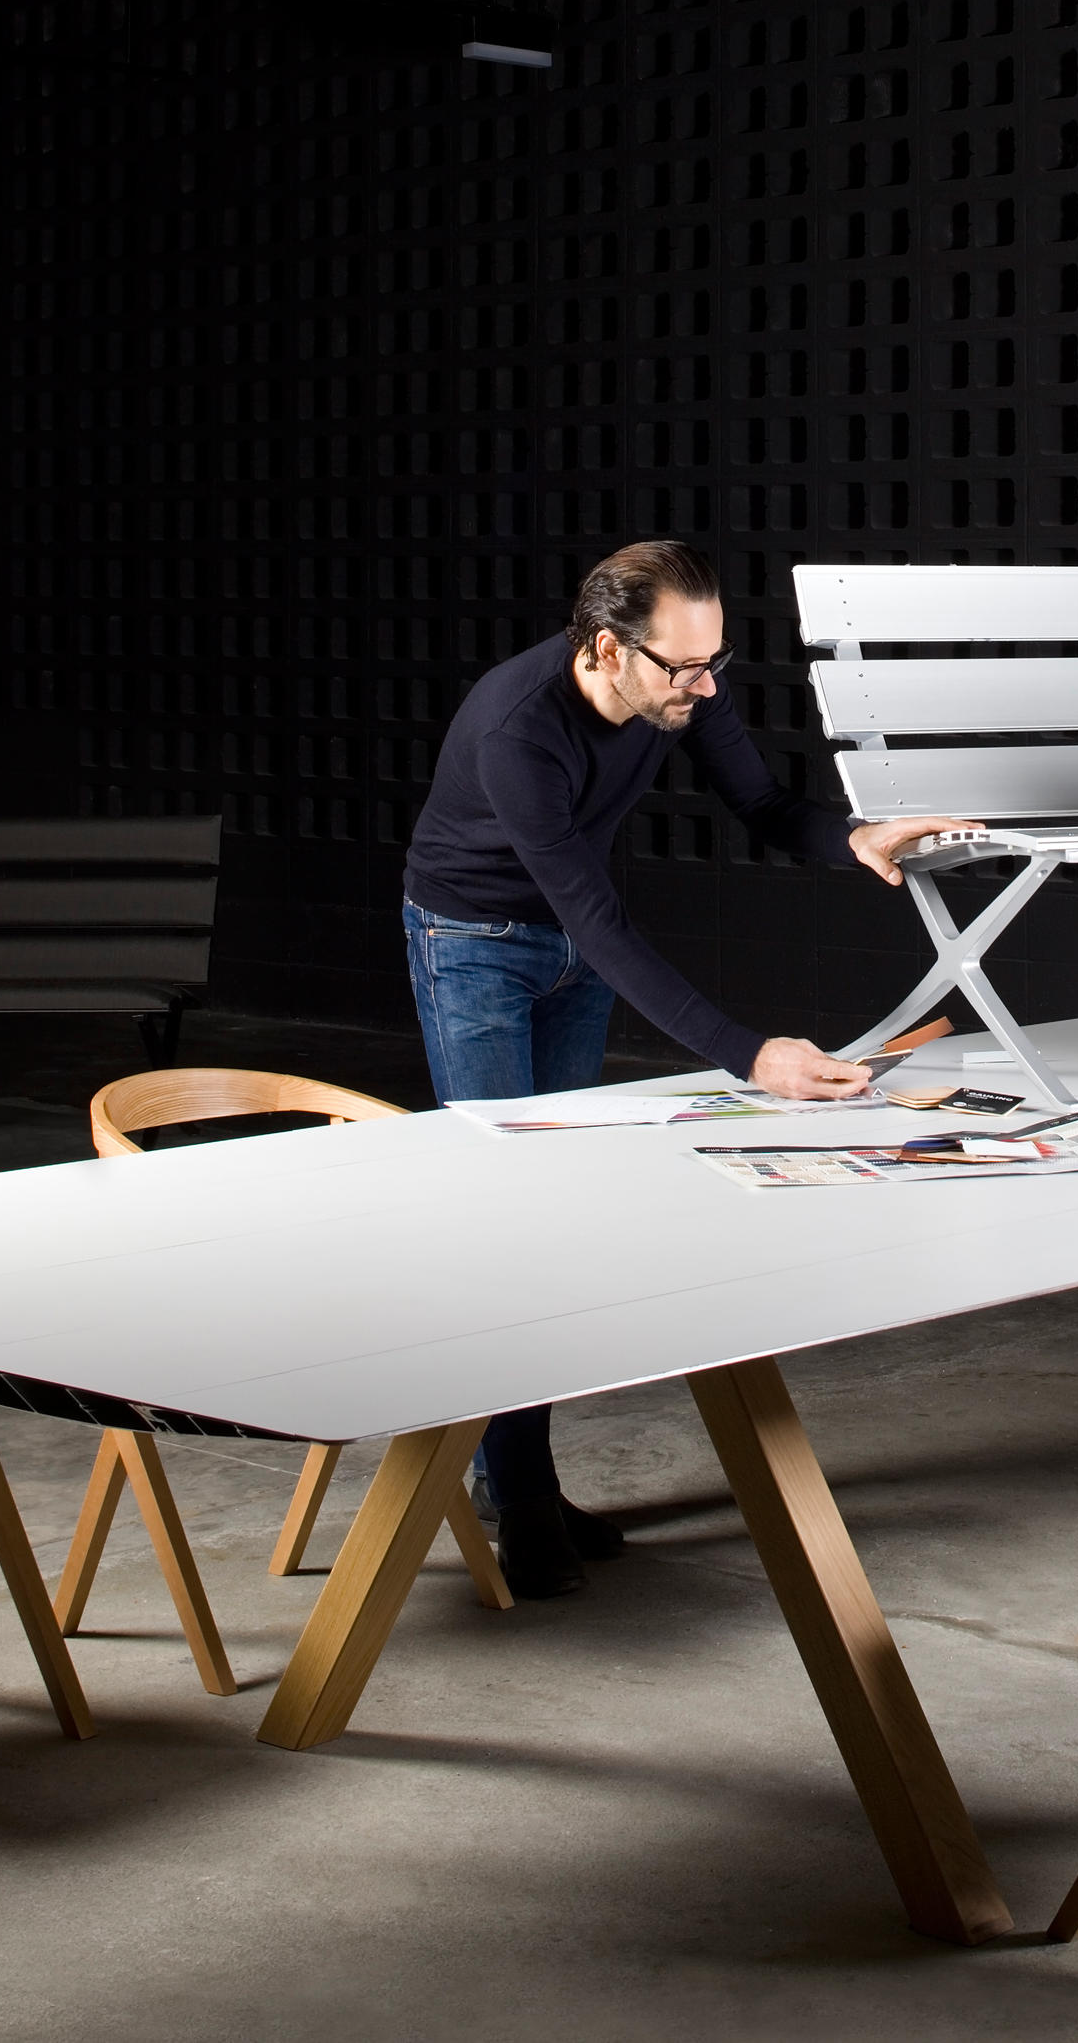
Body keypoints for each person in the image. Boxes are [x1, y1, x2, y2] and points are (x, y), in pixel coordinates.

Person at [400, 538, 968, 1599]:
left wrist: (855, 835)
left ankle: (511, 1475)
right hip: (472, 942)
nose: (705, 690)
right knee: (503, 1220)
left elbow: (764, 804)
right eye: (685, 668)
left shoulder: (677, 682)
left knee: (553, 1213)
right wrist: (750, 1054)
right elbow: (598, 921)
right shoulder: (519, 729)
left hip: (572, 948)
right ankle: (518, 1489)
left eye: (716, 663)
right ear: (606, 650)